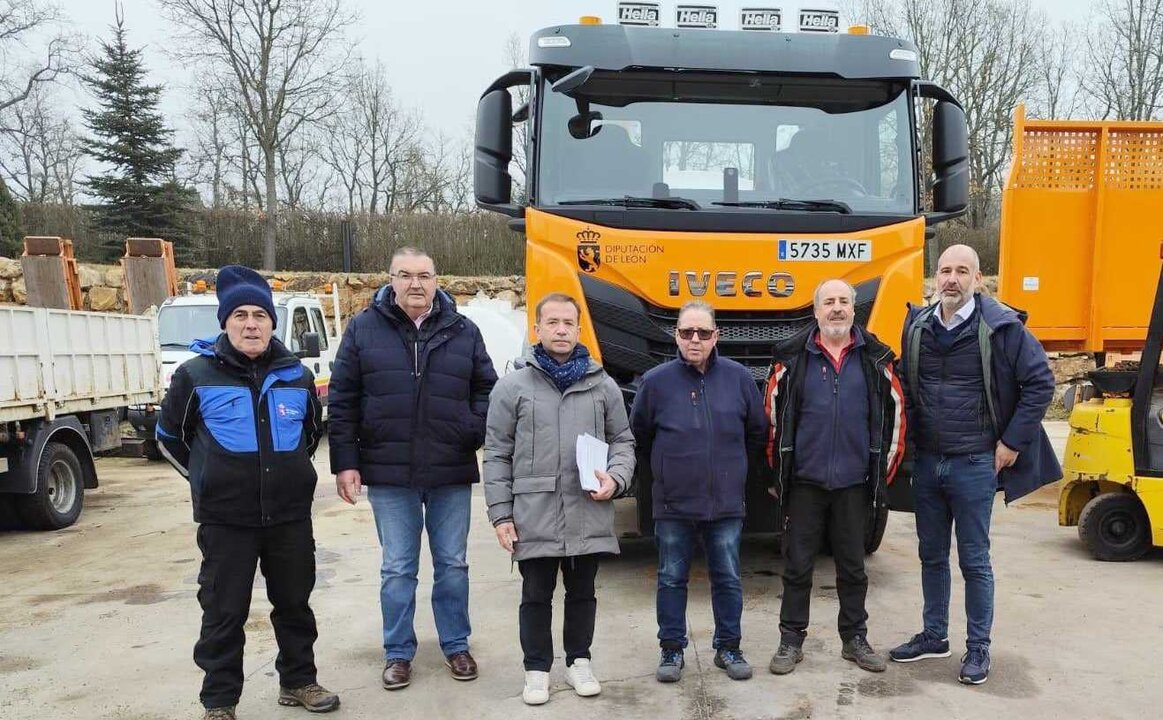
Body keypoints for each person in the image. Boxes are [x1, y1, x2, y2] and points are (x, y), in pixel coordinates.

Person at [157, 265, 337, 720]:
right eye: (240, 315)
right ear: (225, 322)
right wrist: (207, 479)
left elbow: (310, 433)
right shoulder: (195, 376)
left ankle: (298, 682)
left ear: (273, 323)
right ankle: (219, 701)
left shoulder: (295, 376)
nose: (251, 323)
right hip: (225, 521)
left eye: (260, 314)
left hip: (290, 517)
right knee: (224, 611)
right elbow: (169, 438)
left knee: (295, 604)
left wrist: (288, 472)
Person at [328, 247, 497, 691]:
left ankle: (456, 644)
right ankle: (398, 652)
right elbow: (342, 398)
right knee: (398, 569)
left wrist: (469, 429)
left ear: (437, 280)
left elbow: (487, 389)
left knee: (453, 565)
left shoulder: (464, 331)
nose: (415, 284)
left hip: (449, 469)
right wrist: (346, 462)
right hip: (388, 472)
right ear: (390, 280)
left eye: (424, 275)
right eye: (405, 275)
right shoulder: (364, 329)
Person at [890, 244, 1060, 685]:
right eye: (944, 270)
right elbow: (905, 383)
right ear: (934, 277)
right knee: (930, 555)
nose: (951, 279)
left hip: (974, 464)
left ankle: (979, 648)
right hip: (927, 463)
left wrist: (1011, 442)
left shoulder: (1002, 328)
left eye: (961, 271)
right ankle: (933, 636)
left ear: (977, 280)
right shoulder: (918, 325)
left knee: (974, 560)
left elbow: (1040, 382)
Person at [483, 293, 635, 705]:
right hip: (534, 512)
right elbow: (496, 452)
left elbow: (623, 441)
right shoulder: (513, 386)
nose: (561, 329)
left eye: (569, 322)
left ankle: (579, 660)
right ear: (537, 329)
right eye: (553, 322)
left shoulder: (602, 386)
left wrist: (617, 479)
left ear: (579, 329)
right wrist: (500, 515)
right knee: (535, 593)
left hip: (588, 509)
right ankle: (536, 668)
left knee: (582, 591)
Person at [764, 279, 906, 676]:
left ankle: (854, 640)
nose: (837, 309)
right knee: (797, 566)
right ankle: (790, 640)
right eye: (829, 302)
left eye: (844, 301)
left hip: (854, 485)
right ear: (816, 311)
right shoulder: (792, 359)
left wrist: (881, 477)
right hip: (805, 484)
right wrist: (778, 473)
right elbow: (773, 421)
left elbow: (896, 420)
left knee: (853, 567)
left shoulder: (876, 359)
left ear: (854, 309)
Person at [629, 300, 768, 684]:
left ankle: (728, 647)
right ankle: (671, 650)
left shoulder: (740, 379)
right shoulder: (655, 382)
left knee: (728, 578)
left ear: (716, 336)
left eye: (703, 333)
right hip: (673, 504)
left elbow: (757, 433)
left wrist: (735, 473)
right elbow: (640, 434)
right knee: (671, 578)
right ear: (675, 335)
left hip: (725, 504)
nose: (694, 339)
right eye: (686, 332)